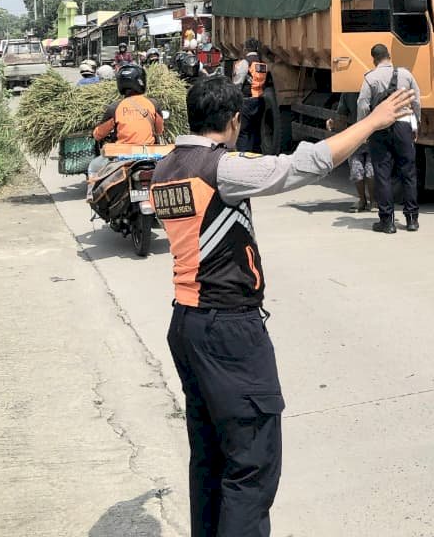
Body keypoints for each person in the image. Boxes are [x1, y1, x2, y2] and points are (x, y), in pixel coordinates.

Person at [151, 76, 414, 537]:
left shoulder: (164, 169)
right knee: (251, 463)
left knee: (210, 458)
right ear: (234, 121)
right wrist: (372, 122)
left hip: (187, 324)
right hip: (228, 330)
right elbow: (304, 164)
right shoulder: (222, 168)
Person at [357, 43, 421, 233]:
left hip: (380, 127)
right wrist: (415, 124)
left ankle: (387, 222)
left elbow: (362, 105)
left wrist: (364, 129)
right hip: (403, 125)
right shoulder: (406, 75)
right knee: (408, 172)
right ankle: (412, 219)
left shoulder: (370, 78)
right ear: (389, 56)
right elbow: (416, 101)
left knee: (382, 174)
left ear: (374, 59)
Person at [87, 63, 165, 185]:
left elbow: (98, 134)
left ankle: (91, 194)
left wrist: (94, 132)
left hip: (122, 156)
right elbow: (159, 130)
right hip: (149, 155)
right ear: (141, 81)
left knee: (93, 167)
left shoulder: (115, 107)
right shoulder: (153, 104)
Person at [232, 38, 267, 153]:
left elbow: (238, 83)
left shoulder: (245, 62)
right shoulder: (262, 63)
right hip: (259, 100)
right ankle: (256, 155)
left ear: (245, 48)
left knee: (243, 132)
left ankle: (243, 155)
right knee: (256, 131)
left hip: (246, 100)